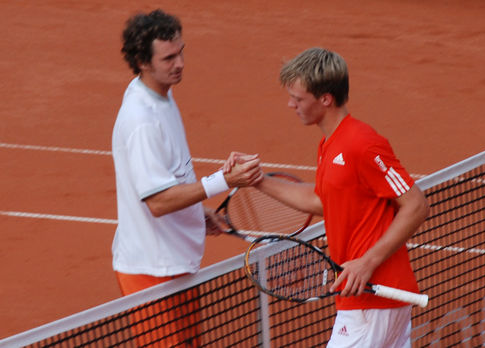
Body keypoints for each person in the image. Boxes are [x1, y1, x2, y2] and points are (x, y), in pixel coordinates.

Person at [226, 47, 429, 347]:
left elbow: (416, 204)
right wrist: (258, 180)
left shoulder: (362, 144)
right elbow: (322, 202)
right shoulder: (329, 145)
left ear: (325, 99)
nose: (290, 104)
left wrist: (366, 262)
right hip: (369, 299)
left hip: (372, 296)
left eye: (298, 98)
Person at [111, 9, 262, 347]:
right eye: (168, 57)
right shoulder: (141, 120)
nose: (179, 63)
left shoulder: (162, 95)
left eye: (181, 52)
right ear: (143, 61)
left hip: (175, 263)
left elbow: (169, 178)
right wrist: (224, 180)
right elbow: (158, 201)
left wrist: (196, 212)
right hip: (152, 271)